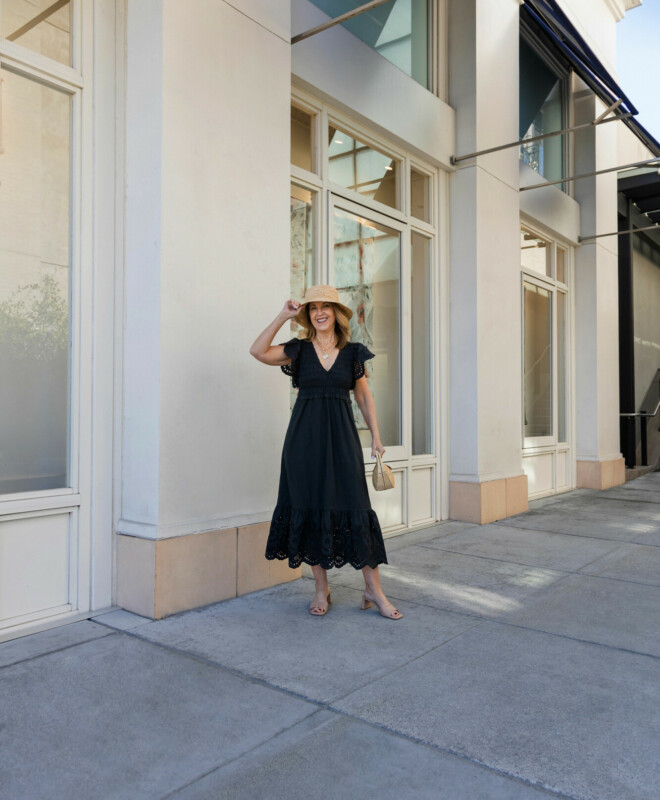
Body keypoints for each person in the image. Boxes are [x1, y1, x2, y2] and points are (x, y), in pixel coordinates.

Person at [249, 284, 402, 620]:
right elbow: (258, 351)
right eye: (313, 308)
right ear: (308, 315)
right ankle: (321, 588)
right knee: (313, 507)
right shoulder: (298, 350)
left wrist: (376, 436)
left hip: (343, 439)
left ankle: (373, 589)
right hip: (303, 444)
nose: (319, 312)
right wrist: (282, 316)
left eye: (326, 307)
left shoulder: (353, 352)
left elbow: (363, 397)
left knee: (357, 506)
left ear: (336, 314)